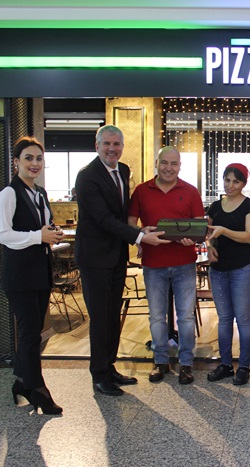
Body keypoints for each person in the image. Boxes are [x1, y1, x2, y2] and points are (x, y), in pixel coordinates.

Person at [75, 125, 169, 397]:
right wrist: (139, 237)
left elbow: (122, 212)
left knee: (113, 315)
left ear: (122, 147)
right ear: (97, 146)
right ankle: (99, 375)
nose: (112, 149)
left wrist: (139, 229)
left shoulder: (123, 170)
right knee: (100, 318)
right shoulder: (87, 177)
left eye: (116, 144)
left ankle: (109, 367)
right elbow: (103, 219)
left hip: (115, 256)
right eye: (107, 144)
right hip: (94, 258)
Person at [0, 136, 65, 414]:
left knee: (34, 331)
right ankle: (38, 390)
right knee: (29, 335)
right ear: (16, 162)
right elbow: (2, 234)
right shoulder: (9, 193)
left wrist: (52, 233)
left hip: (40, 271)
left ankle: (22, 382)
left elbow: (41, 227)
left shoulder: (40, 193)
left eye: (38, 158)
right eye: (28, 158)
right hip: (20, 274)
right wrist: (38, 236)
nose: (34, 163)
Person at [128, 147, 205, 385]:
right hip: (153, 264)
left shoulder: (190, 191)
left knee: (186, 317)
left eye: (174, 164)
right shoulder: (142, 190)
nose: (169, 168)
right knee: (156, 317)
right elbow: (130, 223)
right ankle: (160, 361)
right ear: (156, 163)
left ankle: (186, 363)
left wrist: (192, 238)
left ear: (180, 166)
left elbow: (200, 226)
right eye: (164, 163)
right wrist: (141, 233)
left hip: (184, 263)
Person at [205, 163, 250, 386]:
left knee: (243, 319)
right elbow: (208, 234)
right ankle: (226, 364)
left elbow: (249, 236)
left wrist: (224, 231)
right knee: (224, 318)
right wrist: (210, 247)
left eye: (236, 181)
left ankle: (244, 366)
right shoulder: (215, 206)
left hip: (242, 269)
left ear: (243, 183)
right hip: (218, 270)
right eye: (227, 180)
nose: (230, 185)